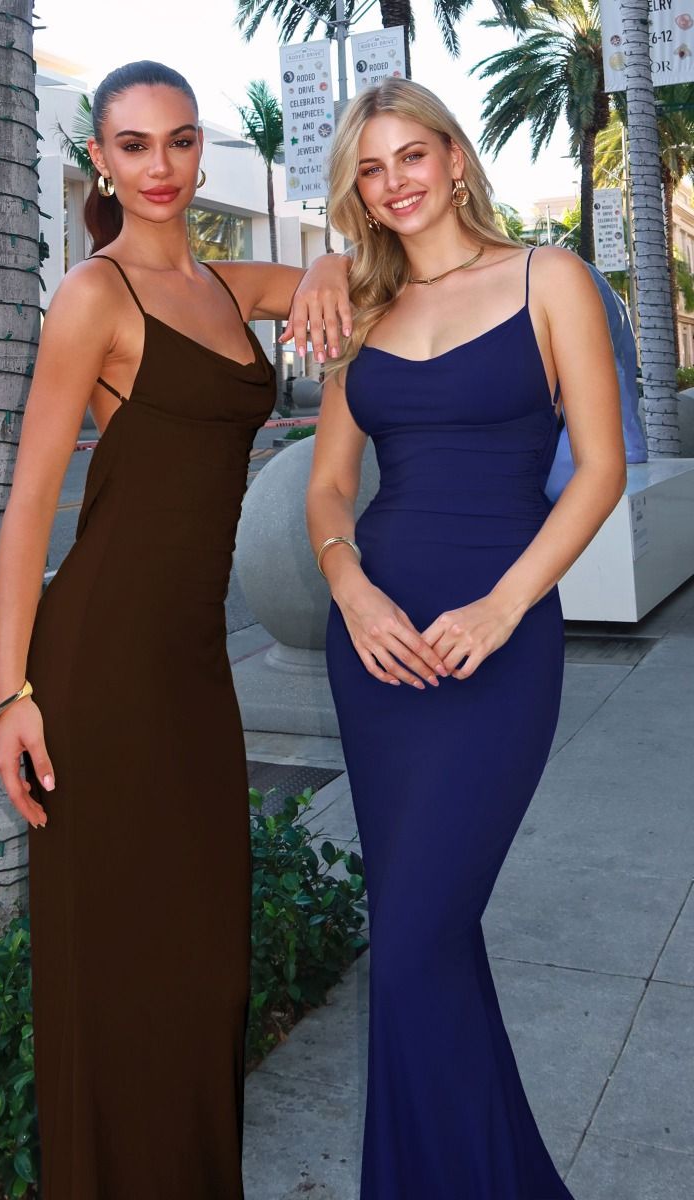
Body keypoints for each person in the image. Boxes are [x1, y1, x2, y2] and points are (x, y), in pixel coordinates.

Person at [0, 60, 351, 1200]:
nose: (159, 166)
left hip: (191, 671)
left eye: (180, 142)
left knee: (199, 971)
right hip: (95, 668)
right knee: (118, 971)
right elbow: (28, 504)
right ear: (101, 158)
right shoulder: (95, 296)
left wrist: (332, 259)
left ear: (200, 153)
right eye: (133, 145)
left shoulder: (220, 282)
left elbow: (331, 282)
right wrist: (10, 696)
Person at [305, 78, 625, 1199]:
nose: (391, 184)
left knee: (413, 942)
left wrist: (503, 604)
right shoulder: (363, 310)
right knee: (419, 942)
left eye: (409, 156)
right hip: (378, 649)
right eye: (368, 169)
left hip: (495, 650)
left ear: (451, 156)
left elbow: (598, 468)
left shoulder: (549, 278)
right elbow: (330, 485)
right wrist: (347, 589)